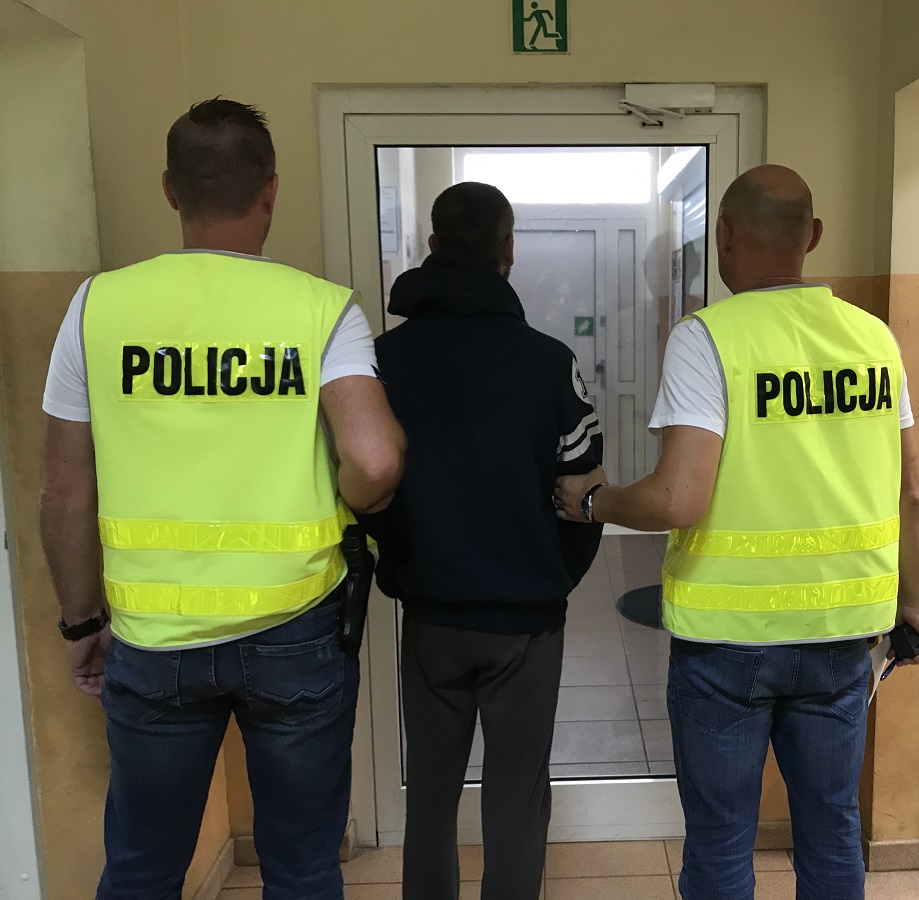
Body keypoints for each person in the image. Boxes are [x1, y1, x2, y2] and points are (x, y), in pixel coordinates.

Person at [38, 98, 406, 900]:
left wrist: (81, 622)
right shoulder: (320, 310)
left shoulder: (98, 307)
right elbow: (376, 459)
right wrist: (349, 502)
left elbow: (64, 491)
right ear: (270, 190)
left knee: (141, 870)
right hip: (294, 628)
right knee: (302, 869)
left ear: (170, 190)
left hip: (152, 639)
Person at [555, 165, 919, 900]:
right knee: (831, 828)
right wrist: (914, 606)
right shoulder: (874, 340)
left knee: (723, 838)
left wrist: (594, 502)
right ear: (812, 237)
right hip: (842, 632)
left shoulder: (709, 339)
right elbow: (912, 495)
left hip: (727, 642)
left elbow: (678, 497)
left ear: (723, 235)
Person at [364, 182, 603, 900]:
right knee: (516, 803)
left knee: (430, 799)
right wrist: (549, 576)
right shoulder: (549, 362)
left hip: (430, 618)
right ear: (508, 250)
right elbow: (584, 494)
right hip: (526, 622)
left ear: (433, 246)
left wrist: (402, 565)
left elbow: (363, 486)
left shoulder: (381, 362)